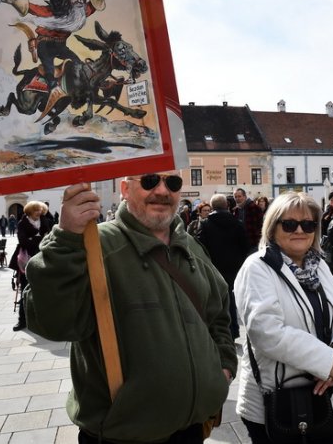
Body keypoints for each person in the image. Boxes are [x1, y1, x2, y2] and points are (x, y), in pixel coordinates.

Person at [25, 172, 235, 443]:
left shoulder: (190, 245)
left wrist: (224, 367)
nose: (162, 191)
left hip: (193, 428)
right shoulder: (94, 244)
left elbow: (218, 314)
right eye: (149, 181)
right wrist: (66, 240)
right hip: (122, 435)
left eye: (172, 183)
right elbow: (56, 323)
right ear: (124, 188)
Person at [234, 192, 333, 443]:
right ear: (273, 227)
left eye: (308, 224)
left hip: (326, 395)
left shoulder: (318, 264)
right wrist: (326, 361)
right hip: (279, 403)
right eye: (289, 224)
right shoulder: (257, 267)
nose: (300, 230)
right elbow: (266, 331)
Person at [2, 0, 108, 105]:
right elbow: (32, 8)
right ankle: (50, 94)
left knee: (78, 64)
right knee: (49, 69)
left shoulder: (78, 12)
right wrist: (12, 1)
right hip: (45, 45)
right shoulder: (50, 12)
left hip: (61, 45)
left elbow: (90, 7)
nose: (80, 0)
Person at [198, 194, 249, 339]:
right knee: (231, 298)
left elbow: (201, 246)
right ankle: (234, 330)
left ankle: (221, 331)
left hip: (214, 266)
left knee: (216, 298)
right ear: (227, 205)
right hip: (234, 267)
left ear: (212, 207)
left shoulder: (206, 224)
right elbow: (245, 245)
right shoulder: (237, 223)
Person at [10, 201, 52, 332]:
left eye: (40, 210)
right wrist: (39, 239)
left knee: (43, 288)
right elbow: (23, 241)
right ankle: (22, 319)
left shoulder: (45, 220)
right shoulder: (22, 223)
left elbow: (49, 238)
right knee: (25, 288)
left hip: (43, 257)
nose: (39, 212)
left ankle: (43, 319)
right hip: (26, 259)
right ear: (29, 211)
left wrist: (34, 239)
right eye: (36, 210)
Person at [233, 188, 264, 253]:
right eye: (235, 197)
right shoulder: (236, 210)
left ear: (245, 196)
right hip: (241, 244)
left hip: (254, 243)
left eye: (239, 196)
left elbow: (261, 225)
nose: (237, 199)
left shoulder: (254, 208)